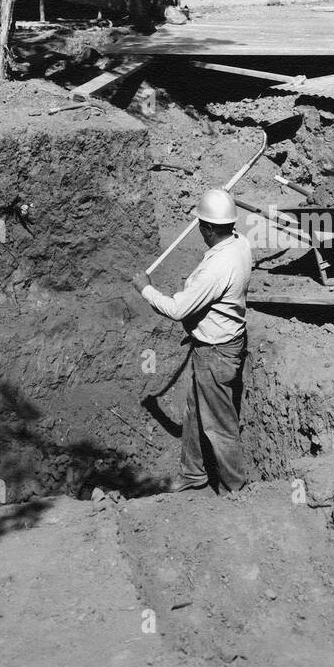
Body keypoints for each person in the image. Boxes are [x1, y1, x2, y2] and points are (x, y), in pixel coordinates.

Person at [132, 189, 253, 493]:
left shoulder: (216, 269)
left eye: (202, 224)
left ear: (209, 228)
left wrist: (146, 289)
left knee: (219, 426)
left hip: (216, 354)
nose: (199, 229)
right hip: (217, 348)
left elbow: (177, 309)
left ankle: (235, 490)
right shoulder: (240, 243)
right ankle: (194, 474)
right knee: (195, 412)